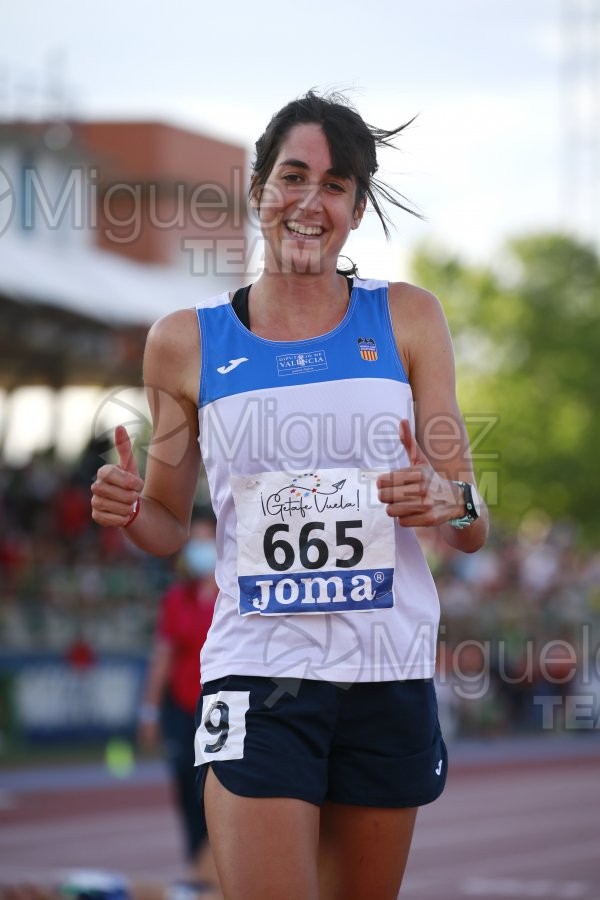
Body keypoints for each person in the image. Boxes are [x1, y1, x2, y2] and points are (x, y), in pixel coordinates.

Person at [91, 90, 489, 900]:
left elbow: (474, 519)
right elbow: (168, 522)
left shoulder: (410, 319)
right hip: (257, 668)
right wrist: (132, 508)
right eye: (293, 177)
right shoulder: (184, 342)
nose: (311, 201)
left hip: (387, 669)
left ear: (357, 207)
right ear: (259, 190)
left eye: (335, 185)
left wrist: (448, 501)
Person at [137, 512, 219, 891]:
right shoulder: (176, 598)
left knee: (217, 789)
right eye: (196, 540)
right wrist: (150, 710)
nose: (201, 548)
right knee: (186, 786)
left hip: (222, 708)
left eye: (208, 539)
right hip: (182, 709)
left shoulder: (232, 593)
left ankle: (217, 865)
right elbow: (163, 656)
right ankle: (195, 866)